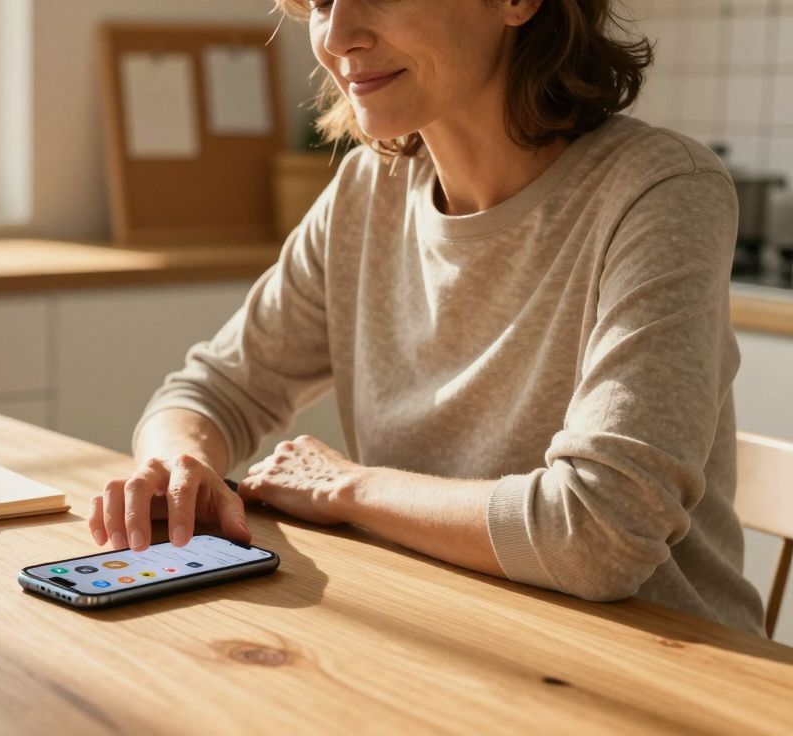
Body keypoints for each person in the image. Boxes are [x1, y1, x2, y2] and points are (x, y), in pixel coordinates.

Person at [87, 0, 767, 635]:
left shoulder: (659, 191)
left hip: (660, 667)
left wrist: (351, 488)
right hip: (447, 633)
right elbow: (212, 391)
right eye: (320, 1)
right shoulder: (366, 192)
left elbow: (600, 533)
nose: (335, 36)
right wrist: (180, 466)